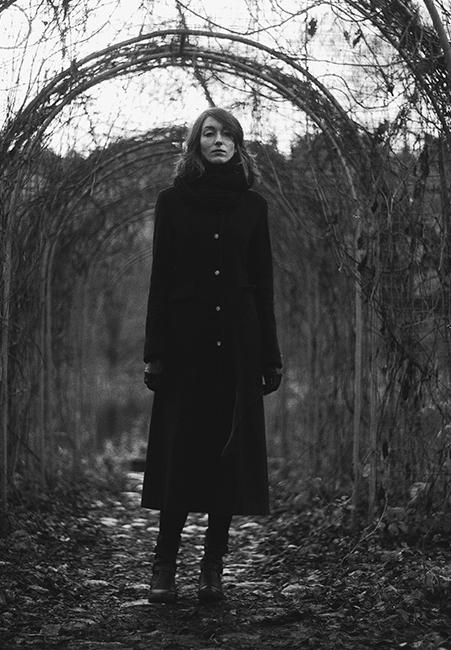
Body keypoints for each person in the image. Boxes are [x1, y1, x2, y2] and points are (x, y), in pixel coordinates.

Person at [141, 107, 282, 605]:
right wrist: (155, 351)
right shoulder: (172, 202)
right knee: (181, 453)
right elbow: (160, 279)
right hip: (185, 347)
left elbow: (262, 284)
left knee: (227, 455)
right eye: (209, 133)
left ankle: (212, 568)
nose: (218, 140)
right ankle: (163, 566)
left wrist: (269, 355)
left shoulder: (254, 207)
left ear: (238, 144)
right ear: (196, 143)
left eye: (227, 134)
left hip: (239, 347)